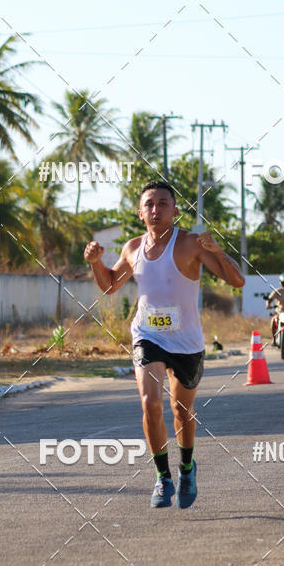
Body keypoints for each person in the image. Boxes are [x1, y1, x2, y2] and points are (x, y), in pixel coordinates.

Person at [84, 181, 245, 508]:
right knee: (150, 402)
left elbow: (237, 280)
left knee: (182, 411)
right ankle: (162, 477)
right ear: (141, 212)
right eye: (150, 205)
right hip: (148, 335)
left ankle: (187, 467)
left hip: (186, 341)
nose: (156, 210)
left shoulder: (190, 243)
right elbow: (111, 286)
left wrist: (216, 250)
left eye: (163, 204)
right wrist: (95, 263)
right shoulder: (132, 247)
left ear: (174, 210)